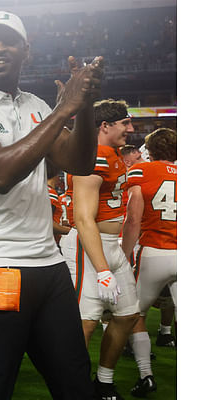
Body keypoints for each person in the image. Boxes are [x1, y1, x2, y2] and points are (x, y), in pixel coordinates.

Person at [0, 11, 103, 399]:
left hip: (47, 264)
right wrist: (64, 110)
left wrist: (86, 106)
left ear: (25, 50)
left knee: (76, 383)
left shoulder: (36, 105)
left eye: (9, 41)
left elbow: (78, 162)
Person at [64, 99, 139, 398]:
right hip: (88, 246)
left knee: (127, 315)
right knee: (84, 324)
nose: (131, 129)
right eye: (125, 123)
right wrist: (103, 269)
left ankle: (103, 380)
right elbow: (84, 218)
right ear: (105, 126)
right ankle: (73, 386)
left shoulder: (114, 154)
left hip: (112, 246)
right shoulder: (93, 156)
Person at [120, 128, 177, 397]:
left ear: (150, 149)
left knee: (135, 314)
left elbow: (133, 219)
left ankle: (146, 375)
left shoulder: (141, 171)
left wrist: (123, 255)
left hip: (154, 250)